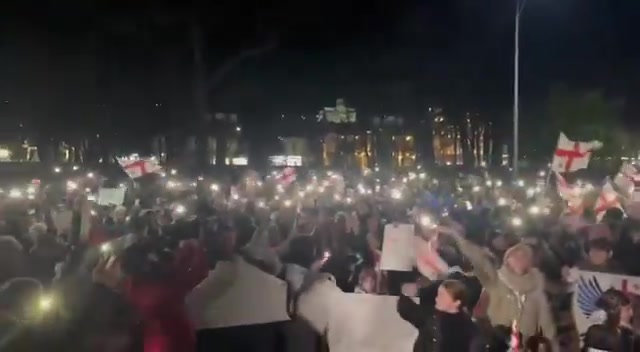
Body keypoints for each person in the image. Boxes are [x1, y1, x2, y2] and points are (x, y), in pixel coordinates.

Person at [439, 224, 557, 347]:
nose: (519, 258)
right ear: (507, 260)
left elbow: (545, 321)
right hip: (496, 339)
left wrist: (550, 344)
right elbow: (478, 258)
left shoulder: (535, 286)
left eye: (524, 256)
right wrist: (455, 236)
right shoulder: (497, 279)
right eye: (515, 255)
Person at [397, 279, 476, 352]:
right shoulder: (432, 315)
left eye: (442, 296)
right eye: (438, 295)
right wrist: (405, 293)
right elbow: (409, 311)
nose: (437, 299)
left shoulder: (466, 328)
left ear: (456, 302)